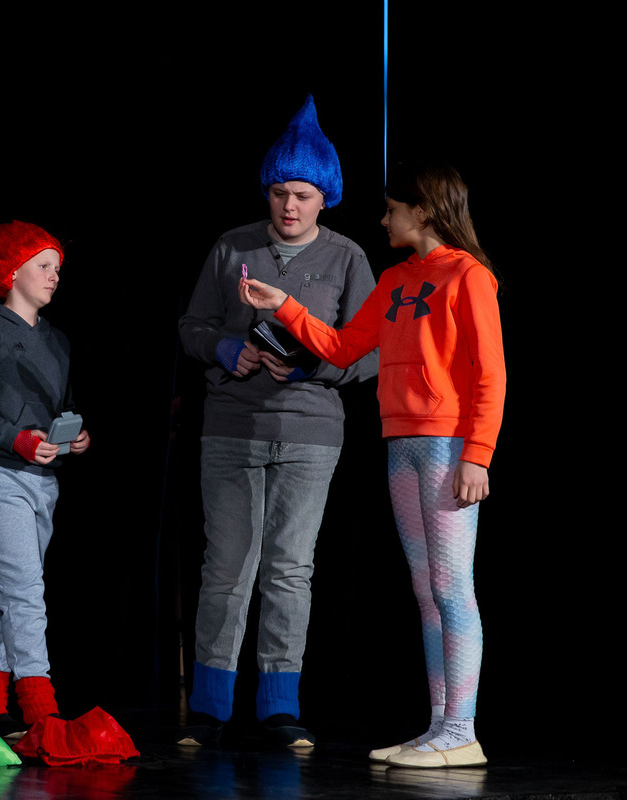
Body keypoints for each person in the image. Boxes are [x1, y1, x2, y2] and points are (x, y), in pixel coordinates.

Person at [240, 162, 505, 768]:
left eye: (392, 209)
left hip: (446, 445)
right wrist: (283, 304)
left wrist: (477, 455)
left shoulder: (469, 276)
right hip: (400, 442)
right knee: (426, 589)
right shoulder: (394, 279)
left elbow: (491, 374)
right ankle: (441, 727)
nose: (384, 220)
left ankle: (461, 729)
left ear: (424, 211)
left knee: (452, 586)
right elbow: (342, 347)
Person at [178, 96, 378, 748]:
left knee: (290, 569)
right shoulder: (232, 246)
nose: (289, 206)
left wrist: (313, 368)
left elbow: (369, 352)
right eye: (278, 193)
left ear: (325, 199)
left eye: (302, 195)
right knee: (226, 568)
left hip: (309, 432)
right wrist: (223, 349)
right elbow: (192, 325)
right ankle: (210, 706)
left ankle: (279, 707)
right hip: (231, 427)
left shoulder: (347, 258)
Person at [0, 220, 90, 741]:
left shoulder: (57, 340)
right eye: (43, 266)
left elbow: (60, 407)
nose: (55, 276)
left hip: (41, 482)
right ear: (10, 272)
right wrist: (16, 439)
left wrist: (72, 437)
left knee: (1, 590)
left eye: (58, 268)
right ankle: (39, 706)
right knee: (25, 591)